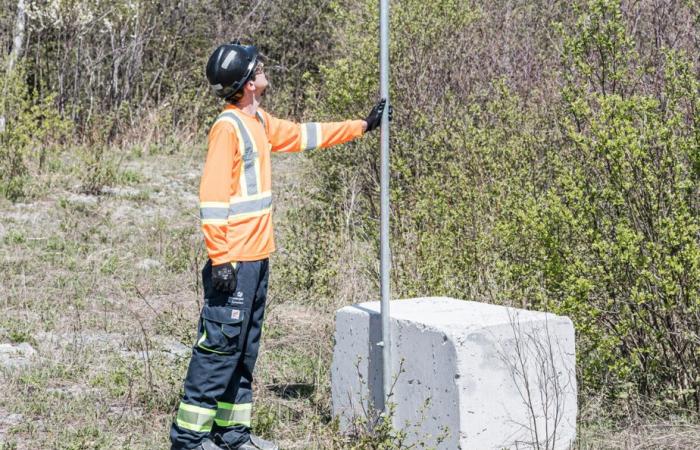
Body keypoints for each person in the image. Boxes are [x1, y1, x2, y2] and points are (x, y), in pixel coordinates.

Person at [169, 41, 391, 450]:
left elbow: (306, 135)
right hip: (233, 263)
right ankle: (189, 440)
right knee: (218, 350)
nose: (263, 68)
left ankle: (232, 435)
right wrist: (220, 259)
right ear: (248, 83)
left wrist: (362, 126)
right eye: (258, 67)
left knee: (243, 352)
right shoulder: (227, 127)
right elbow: (212, 196)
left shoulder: (260, 122)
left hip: (256, 260)